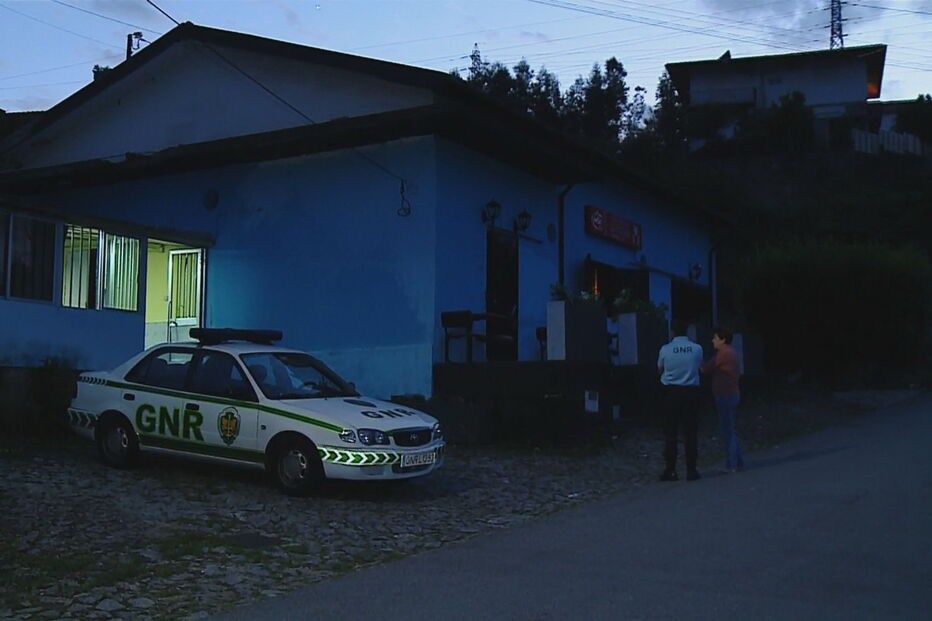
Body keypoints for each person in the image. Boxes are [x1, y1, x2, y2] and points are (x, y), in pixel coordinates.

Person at [657, 319, 704, 481]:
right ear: (687, 331)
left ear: (672, 331)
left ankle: (670, 470)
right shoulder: (697, 349)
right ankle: (691, 470)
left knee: (671, 433)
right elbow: (699, 367)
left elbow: (660, 369)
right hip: (691, 392)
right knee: (690, 432)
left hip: (671, 393)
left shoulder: (665, 349)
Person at [701, 326, 743, 473]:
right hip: (733, 393)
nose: (713, 341)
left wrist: (697, 359)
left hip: (724, 395)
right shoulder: (732, 352)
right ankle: (737, 461)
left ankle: (732, 464)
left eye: (715, 338)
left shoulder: (723, 354)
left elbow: (706, 368)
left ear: (723, 340)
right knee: (731, 428)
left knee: (728, 430)